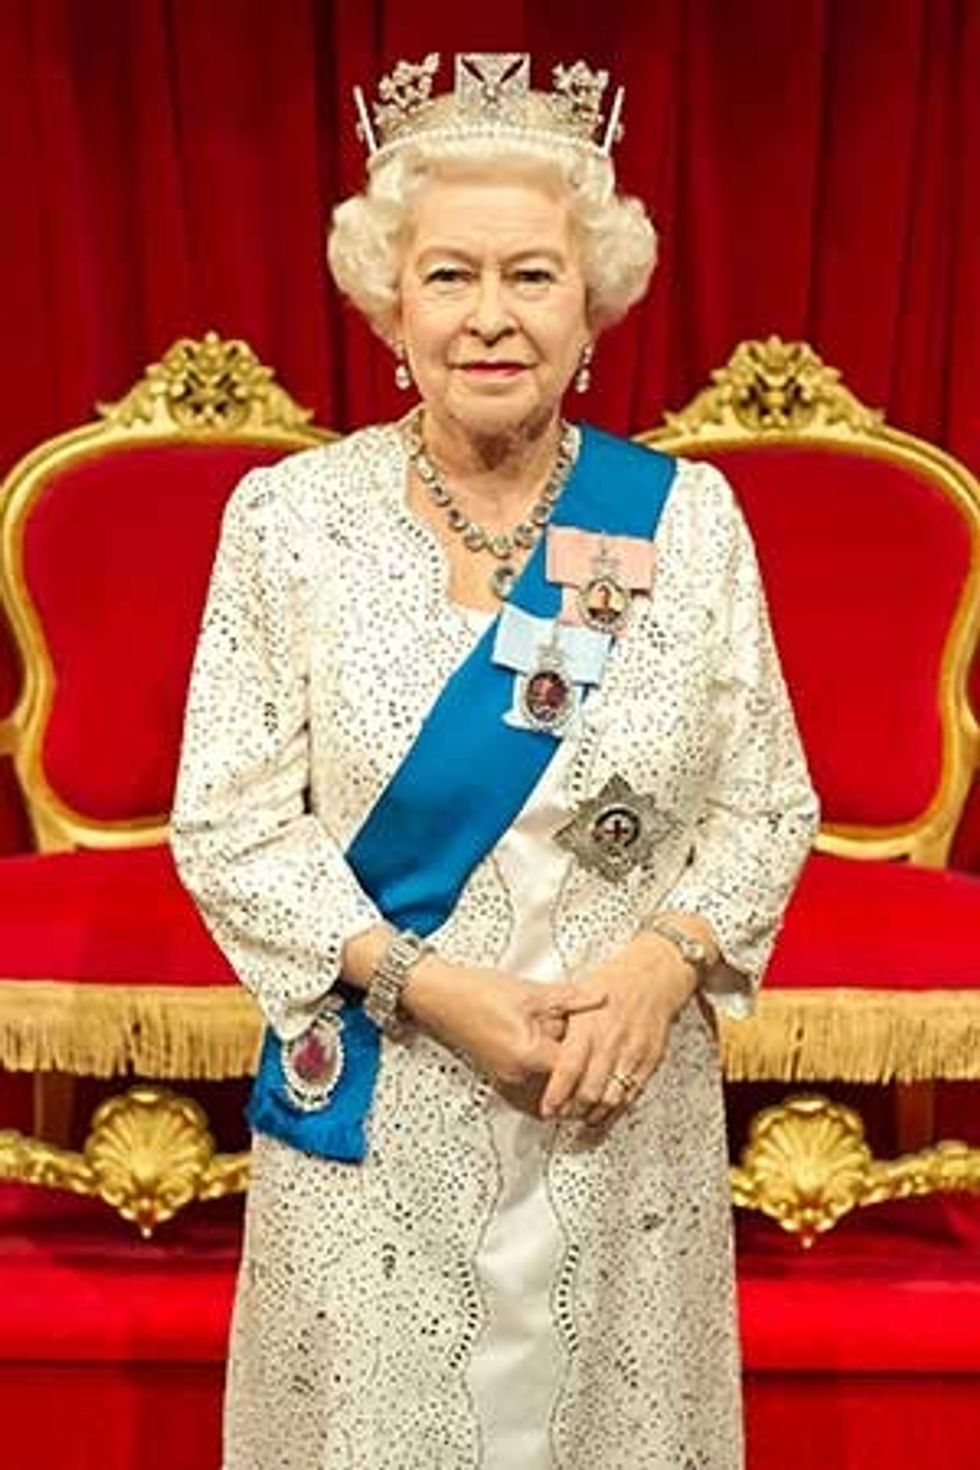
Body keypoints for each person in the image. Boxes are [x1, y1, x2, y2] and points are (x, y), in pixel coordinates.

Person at [171, 51, 819, 1470]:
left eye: (532, 276)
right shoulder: (290, 520)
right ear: (388, 304)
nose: (490, 319)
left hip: (617, 1094)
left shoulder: (684, 519)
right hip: (389, 1088)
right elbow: (226, 823)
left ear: (593, 306)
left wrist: (657, 969)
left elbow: (768, 797)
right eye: (450, 276)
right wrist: (430, 986)